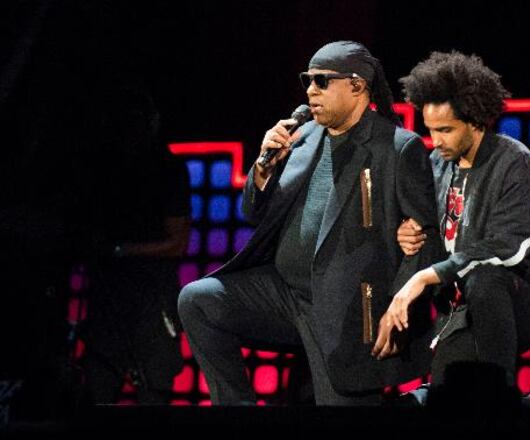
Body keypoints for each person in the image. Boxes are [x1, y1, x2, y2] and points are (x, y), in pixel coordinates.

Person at [177, 41, 439, 405]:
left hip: (347, 309)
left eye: (321, 81)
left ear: (357, 85)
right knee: (199, 300)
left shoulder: (397, 147)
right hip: (284, 293)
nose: (310, 91)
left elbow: (425, 239)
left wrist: (400, 307)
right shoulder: (303, 136)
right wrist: (263, 170)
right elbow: (254, 215)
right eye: (307, 80)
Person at [388, 51, 530, 390]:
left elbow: (506, 247)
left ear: (476, 121)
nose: (436, 140)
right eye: (431, 130)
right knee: (448, 387)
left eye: (446, 130)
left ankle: (501, 399)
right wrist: (407, 233)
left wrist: (425, 277)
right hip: (462, 308)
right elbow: (426, 229)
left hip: (523, 300)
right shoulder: (437, 165)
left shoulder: (515, 162)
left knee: (486, 278)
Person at [81, 84, 190, 404]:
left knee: (153, 386)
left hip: (152, 295)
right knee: (99, 383)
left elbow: (177, 243)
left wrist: (120, 250)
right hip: (109, 293)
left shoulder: (166, 169)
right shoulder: (100, 169)